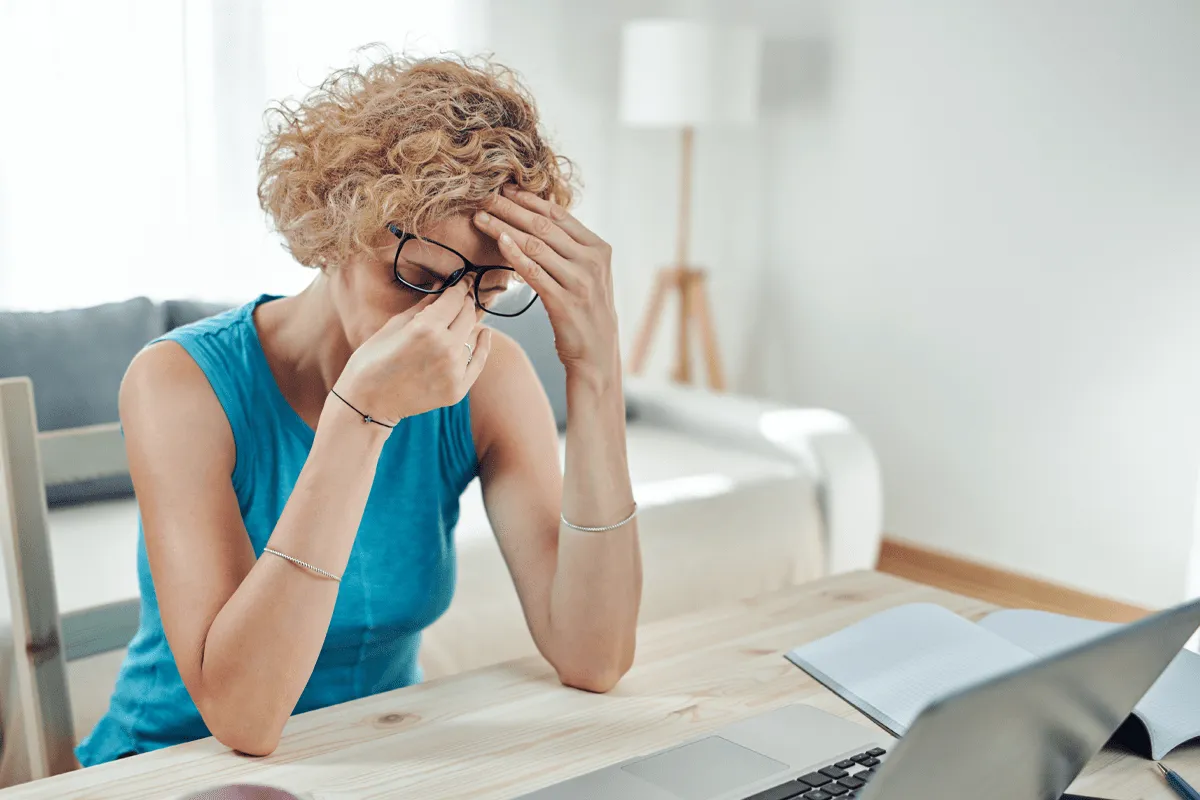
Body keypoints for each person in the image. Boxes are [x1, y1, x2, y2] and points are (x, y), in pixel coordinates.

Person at [77, 53, 641, 766]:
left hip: (374, 761)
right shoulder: (177, 383)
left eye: (486, 292)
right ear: (335, 226)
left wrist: (595, 370)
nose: (444, 325)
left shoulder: (490, 380)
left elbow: (594, 657)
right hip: (170, 767)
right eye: (417, 277)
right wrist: (360, 418)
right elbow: (244, 718)